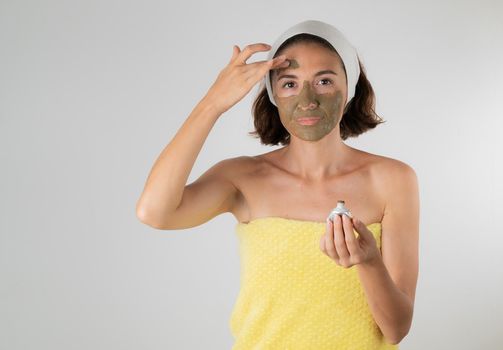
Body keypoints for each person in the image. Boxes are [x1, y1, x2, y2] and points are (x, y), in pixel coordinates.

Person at [136, 20, 419, 349]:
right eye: (289, 84)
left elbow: (397, 328)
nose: (307, 98)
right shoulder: (243, 178)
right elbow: (154, 212)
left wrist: (369, 263)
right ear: (273, 95)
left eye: (324, 81)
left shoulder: (393, 180)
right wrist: (212, 104)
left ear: (350, 87)